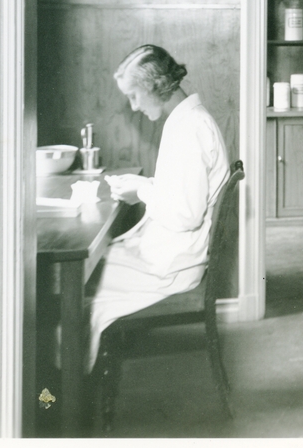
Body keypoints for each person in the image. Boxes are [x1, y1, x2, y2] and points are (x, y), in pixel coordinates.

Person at [86, 45, 230, 370]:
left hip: (175, 266)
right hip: (172, 252)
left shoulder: (190, 128)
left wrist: (142, 190)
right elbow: (184, 193)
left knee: (82, 286)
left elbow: (186, 215)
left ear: (155, 86)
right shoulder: (186, 120)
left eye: (134, 96)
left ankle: (65, 388)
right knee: (96, 267)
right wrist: (145, 185)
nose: (134, 106)